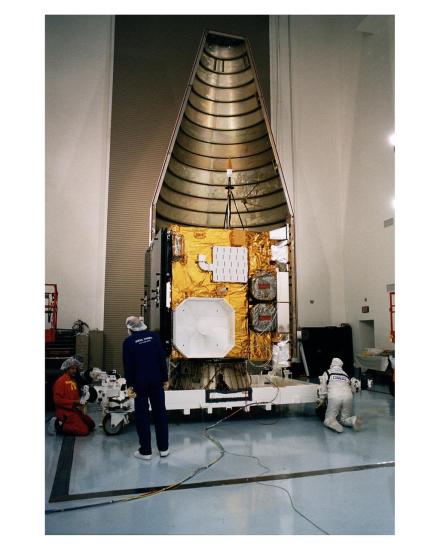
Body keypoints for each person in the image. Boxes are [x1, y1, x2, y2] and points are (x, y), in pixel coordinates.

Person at [123, 315, 169, 460]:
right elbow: (162, 358)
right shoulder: (154, 336)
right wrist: (165, 379)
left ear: (129, 328)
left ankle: (146, 451)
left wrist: (129, 386)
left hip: (139, 384)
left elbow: (128, 366)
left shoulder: (128, 342)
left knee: (142, 417)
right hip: (156, 381)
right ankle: (164, 449)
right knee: (160, 414)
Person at [51, 356, 95, 436]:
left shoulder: (73, 380)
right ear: (67, 369)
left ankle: (71, 423)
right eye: (72, 369)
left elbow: (75, 396)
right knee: (84, 431)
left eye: (75, 368)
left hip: (74, 409)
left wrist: (82, 401)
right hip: (65, 412)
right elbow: (57, 400)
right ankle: (59, 425)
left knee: (91, 425)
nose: (75, 371)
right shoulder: (60, 382)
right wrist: (75, 402)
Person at [317, 357, 362, 433]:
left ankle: (334, 423)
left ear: (332, 364)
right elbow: (354, 387)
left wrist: (321, 399)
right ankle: (353, 419)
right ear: (341, 365)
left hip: (335, 396)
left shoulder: (328, 372)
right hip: (348, 397)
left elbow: (323, 388)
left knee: (328, 419)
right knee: (345, 419)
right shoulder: (345, 374)